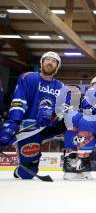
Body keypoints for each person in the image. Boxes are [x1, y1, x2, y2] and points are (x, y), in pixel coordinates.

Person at [0, 51, 66, 179]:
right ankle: (26, 165)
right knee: (27, 173)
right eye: (47, 59)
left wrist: (52, 115)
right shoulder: (29, 78)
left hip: (48, 126)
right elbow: (19, 100)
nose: (50, 62)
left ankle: (72, 164)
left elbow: (63, 108)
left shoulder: (61, 87)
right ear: (41, 63)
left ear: (57, 67)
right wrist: (13, 122)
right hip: (28, 126)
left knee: (77, 119)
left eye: (54, 61)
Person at [62, 76, 96, 180]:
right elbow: (86, 104)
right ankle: (74, 166)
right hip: (91, 128)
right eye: (95, 84)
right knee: (73, 121)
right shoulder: (89, 96)